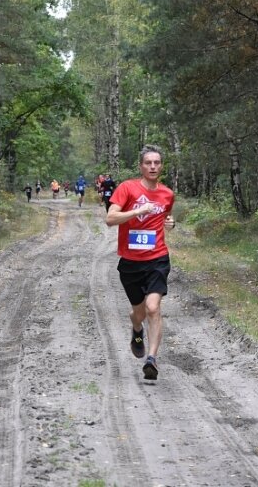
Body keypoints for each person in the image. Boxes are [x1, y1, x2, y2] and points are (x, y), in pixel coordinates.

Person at [105, 145, 175, 380]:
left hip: (157, 259)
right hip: (131, 263)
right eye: (148, 163)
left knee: (153, 308)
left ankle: (152, 360)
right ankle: (136, 330)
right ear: (141, 166)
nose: (153, 166)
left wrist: (170, 223)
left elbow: (165, 217)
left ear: (161, 166)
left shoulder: (167, 193)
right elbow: (110, 218)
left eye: (157, 163)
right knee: (139, 313)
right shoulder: (127, 188)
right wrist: (137, 211)